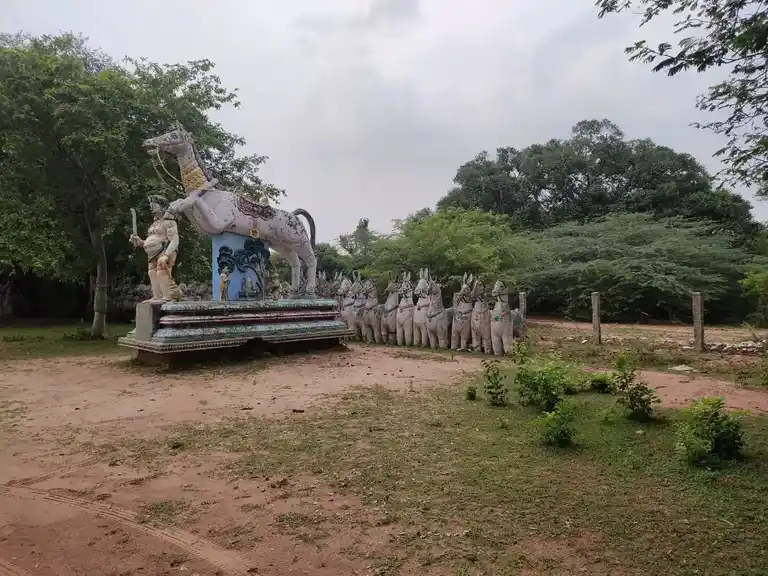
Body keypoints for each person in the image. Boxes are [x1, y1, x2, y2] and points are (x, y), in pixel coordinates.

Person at [129, 195, 183, 301]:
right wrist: (140, 242)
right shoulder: (154, 224)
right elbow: (150, 240)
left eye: (154, 205)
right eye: (151, 206)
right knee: (151, 272)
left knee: (161, 271)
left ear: (163, 208)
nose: (151, 208)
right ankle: (156, 296)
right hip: (153, 253)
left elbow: (174, 240)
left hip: (165, 250)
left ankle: (166, 297)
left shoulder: (169, 222)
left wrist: (166, 255)